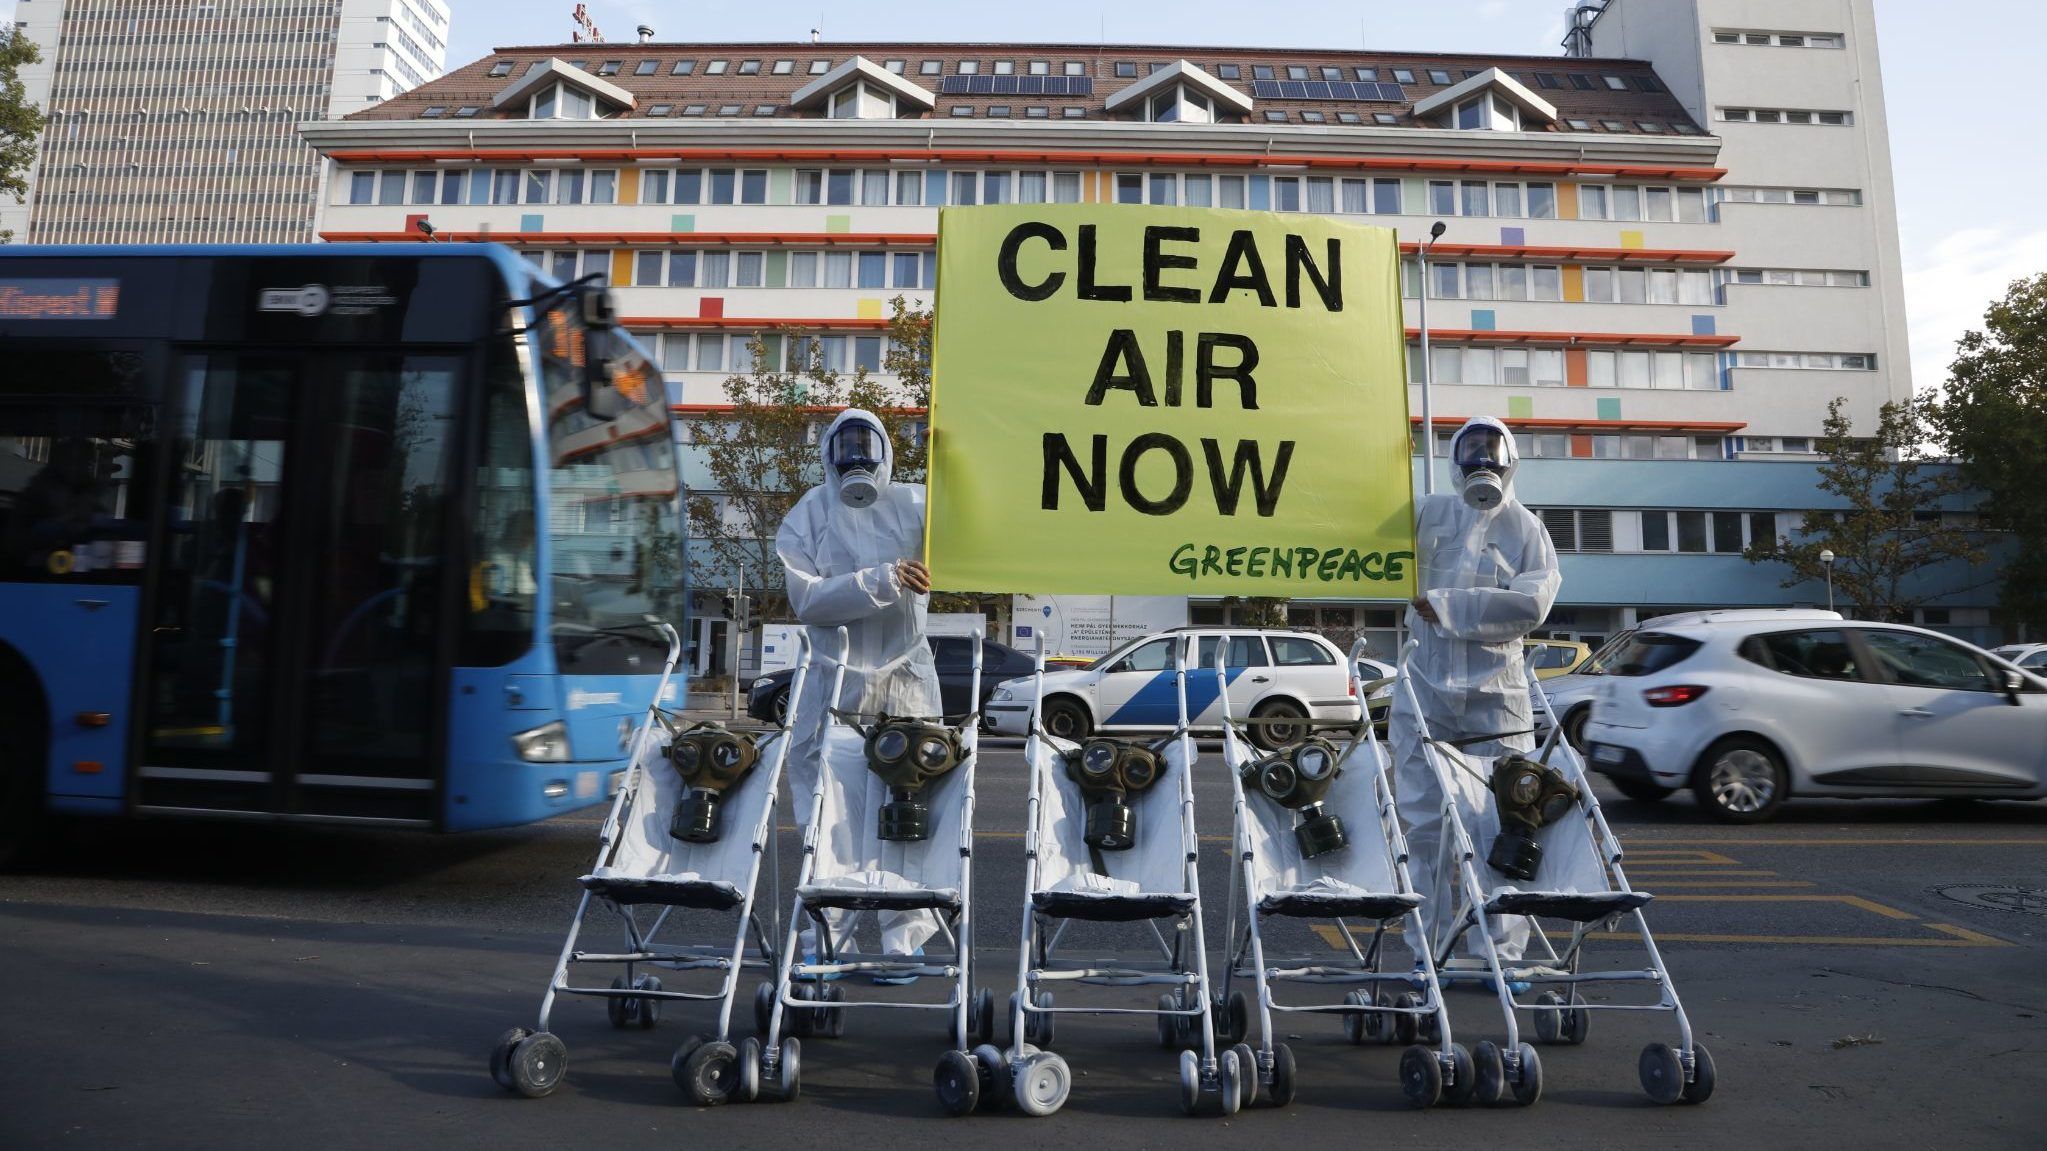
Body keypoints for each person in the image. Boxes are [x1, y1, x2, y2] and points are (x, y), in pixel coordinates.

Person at [1390, 416, 1561, 977]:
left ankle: (1500, 955)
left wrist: (1448, 606)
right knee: (1423, 826)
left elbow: (1531, 606)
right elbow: (1373, 548)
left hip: (1497, 695)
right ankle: (1428, 951)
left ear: (1510, 459)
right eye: (1471, 449)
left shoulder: (1527, 529)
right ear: (1453, 458)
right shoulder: (1426, 513)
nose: (1481, 460)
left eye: (1491, 448)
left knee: (1506, 819)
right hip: (1426, 690)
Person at [776, 408, 942, 981]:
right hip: (837, 685)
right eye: (845, 445)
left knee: (908, 813)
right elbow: (809, 601)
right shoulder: (809, 514)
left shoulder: (922, 503)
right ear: (828, 455)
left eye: (865, 443)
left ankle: (904, 939)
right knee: (832, 818)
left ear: (886, 451)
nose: (856, 457)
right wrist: (884, 578)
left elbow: (976, 538)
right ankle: (825, 935)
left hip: (906, 682)